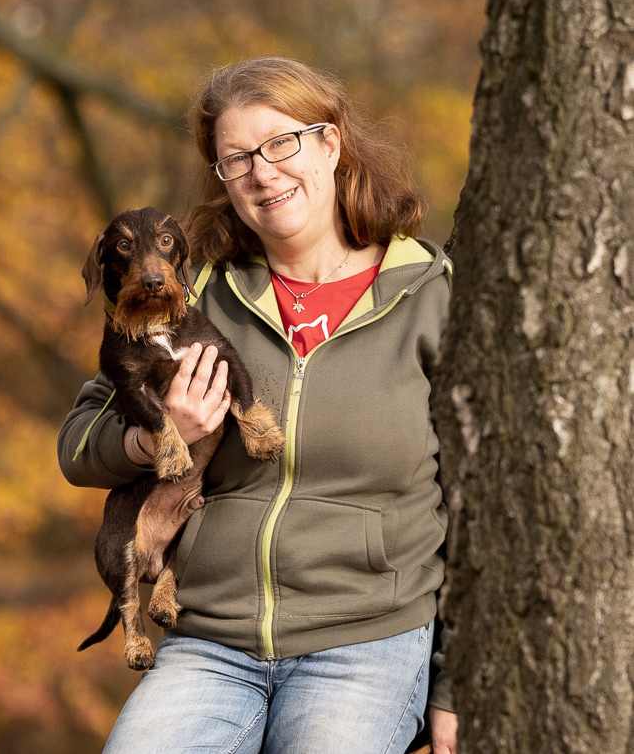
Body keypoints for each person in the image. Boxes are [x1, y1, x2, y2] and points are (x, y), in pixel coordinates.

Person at [58, 56, 458, 754]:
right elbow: (77, 439)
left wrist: (452, 690)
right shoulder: (195, 290)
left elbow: (479, 508)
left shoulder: (429, 294)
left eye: (280, 144)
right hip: (209, 643)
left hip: (367, 642)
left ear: (329, 144)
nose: (261, 173)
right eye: (235, 158)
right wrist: (154, 439)